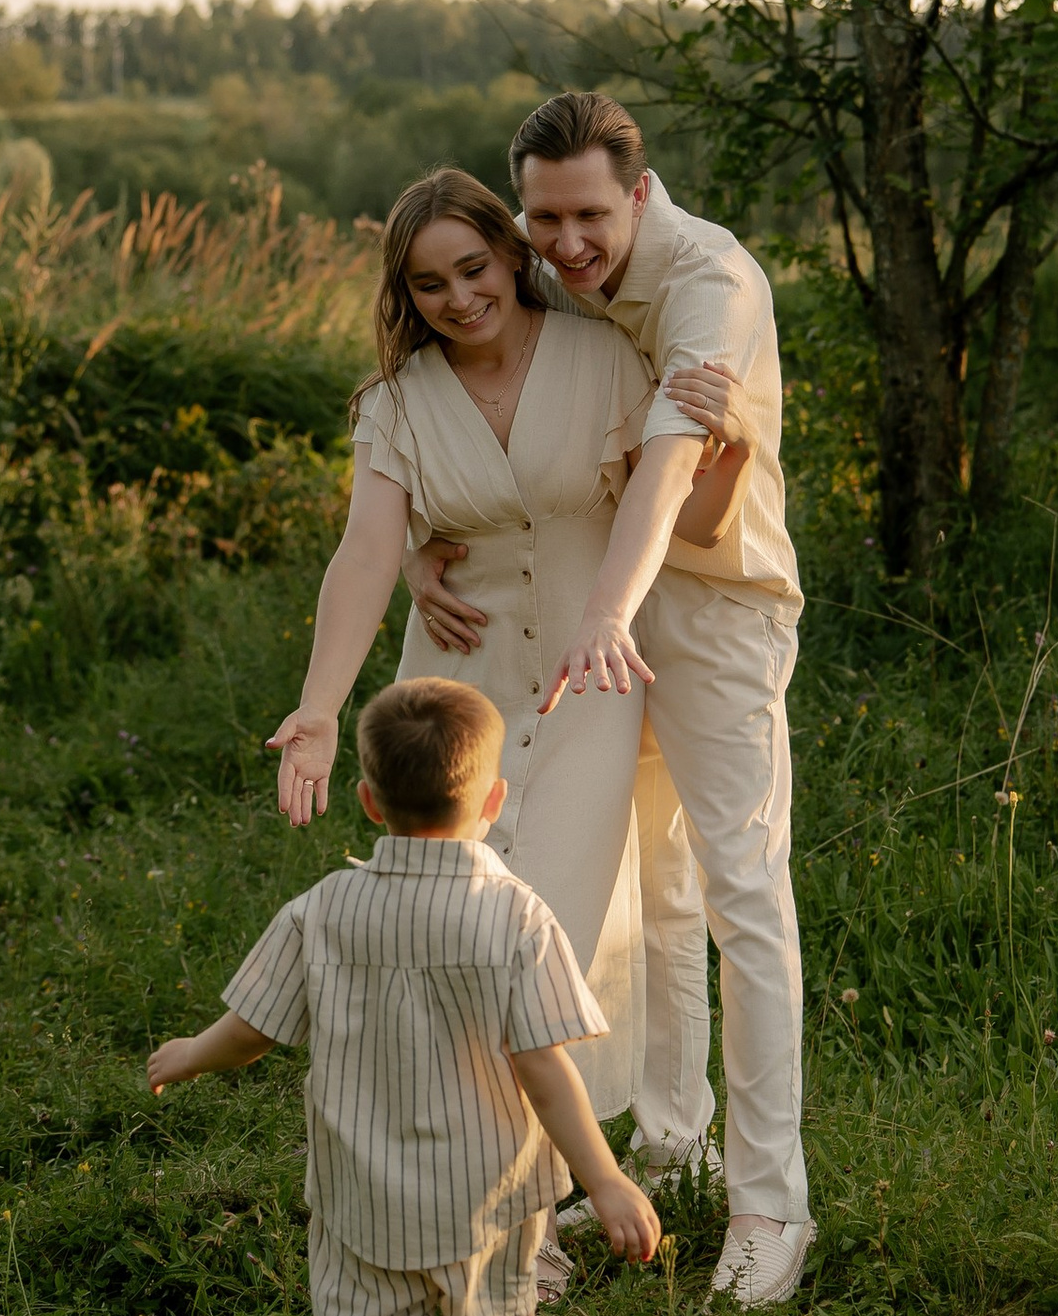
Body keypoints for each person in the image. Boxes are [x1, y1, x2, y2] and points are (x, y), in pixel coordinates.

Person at [266, 167, 747, 1227]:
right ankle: (465, 1191)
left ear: (512, 252)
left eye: (473, 268)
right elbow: (362, 555)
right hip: (455, 699)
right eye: (427, 283)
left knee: (550, 946)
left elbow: (696, 525)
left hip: (589, 689)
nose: (456, 297)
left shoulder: (605, 359)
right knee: (443, 941)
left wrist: (727, 444)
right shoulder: (396, 407)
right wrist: (318, 708)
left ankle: (528, 1207)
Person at [408, 93, 813, 1309]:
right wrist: (431, 538)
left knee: (742, 891)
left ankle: (769, 1204)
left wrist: (607, 616)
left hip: (711, 609)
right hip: (600, 602)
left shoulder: (711, 289)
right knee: (657, 886)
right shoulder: (555, 273)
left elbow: (675, 468)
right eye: (543, 216)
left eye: (588, 213)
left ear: (638, 193)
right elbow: (477, 397)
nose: (566, 242)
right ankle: (668, 1148)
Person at [146, 675, 659, 1316]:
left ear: (368, 802)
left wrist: (190, 1054)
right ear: (493, 801)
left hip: (363, 1190)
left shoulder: (324, 913)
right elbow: (546, 1067)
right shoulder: (516, 919)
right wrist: (603, 1179)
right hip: (488, 1195)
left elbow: (252, 1032)